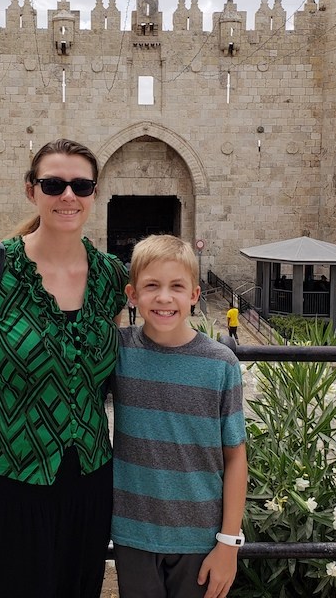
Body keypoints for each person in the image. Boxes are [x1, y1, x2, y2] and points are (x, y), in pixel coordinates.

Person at [0, 138, 128, 598]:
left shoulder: (112, 277)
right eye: (53, 184)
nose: (67, 196)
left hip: (86, 489)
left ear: (94, 193)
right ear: (32, 190)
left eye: (80, 185)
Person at [112, 235, 247, 598]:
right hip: (134, 531)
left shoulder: (220, 364)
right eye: (151, 286)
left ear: (194, 295)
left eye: (176, 286)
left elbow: (236, 457)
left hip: (201, 536)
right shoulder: (120, 351)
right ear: (132, 294)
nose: (164, 297)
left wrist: (229, 543)